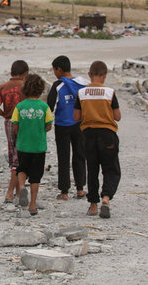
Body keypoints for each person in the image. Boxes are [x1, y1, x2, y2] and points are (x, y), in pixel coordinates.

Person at [73, 61, 121, 219]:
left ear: (89, 75)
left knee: (92, 170)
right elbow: (117, 117)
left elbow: (76, 117)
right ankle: (106, 198)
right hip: (107, 134)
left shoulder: (82, 93)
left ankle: (93, 205)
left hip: (88, 135)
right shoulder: (110, 93)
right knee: (111, 169)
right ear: (105, 75)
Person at [47, 55, 89, 200]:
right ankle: (80, 188)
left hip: (62, 125)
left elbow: (49, 107)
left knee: (63, 157)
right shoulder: (83, 84)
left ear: (59, 69)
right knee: (80, 155)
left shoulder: (58, 85)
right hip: (80, 125)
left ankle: (64, 191)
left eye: (54, 70)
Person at [11, 74, 53, 216]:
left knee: (21, 169)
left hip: (23, 145)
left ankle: (22, 186)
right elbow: (48, 126)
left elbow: (15, 126)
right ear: (41, 90)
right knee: (36, 176)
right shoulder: (44, 107)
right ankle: (33, 205)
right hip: (39, 147)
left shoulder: (19, 107)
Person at [0, 60, 28, 203]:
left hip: (8, 122)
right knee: (19, 157)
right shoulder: (25, 86)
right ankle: (10, 192)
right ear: (25, 73)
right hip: (24, 123)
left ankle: (19, 191)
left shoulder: (3, 87)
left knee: (14, 154)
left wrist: (6, 115)